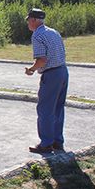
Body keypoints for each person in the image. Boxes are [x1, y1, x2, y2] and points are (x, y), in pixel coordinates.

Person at [25, 8, 69, 154]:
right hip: (63, 71)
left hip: (51, 75)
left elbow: (42, 60)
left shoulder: (37, 35)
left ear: (33, 20)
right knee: (58, 108)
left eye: (28, 20)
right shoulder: (53, 32)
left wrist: (31, 69)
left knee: (45, 109)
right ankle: (57, 141)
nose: (28, 24)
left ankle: (46, 144)